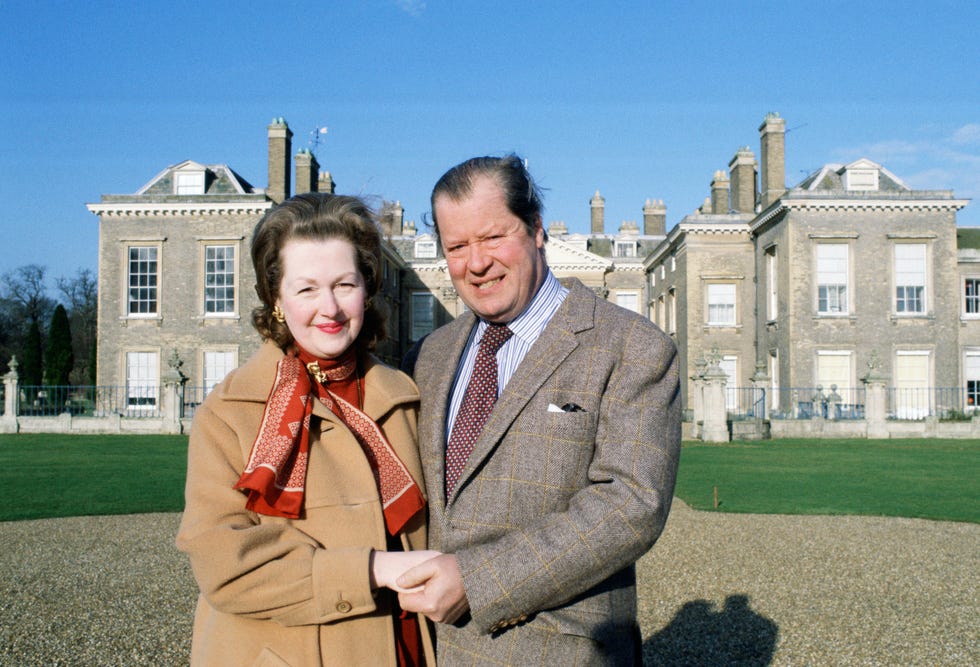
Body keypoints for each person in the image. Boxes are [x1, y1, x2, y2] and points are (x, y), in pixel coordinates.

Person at [396, 155, 682, 665]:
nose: (476, 263)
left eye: (492, 238)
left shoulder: (632, 345)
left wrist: (480, 581)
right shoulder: (428, 356)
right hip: (433, 648)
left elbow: (631, 504)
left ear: (536, 230)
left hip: (558, 650)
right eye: (457, 246)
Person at [176, 193, 437, 666]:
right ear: (276, 299)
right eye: (306, 289)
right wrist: (372, 569)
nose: (330, 308)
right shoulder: (229, 412)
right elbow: (226, 568)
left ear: (367, 289)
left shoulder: (404, 397)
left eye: (344, 284)